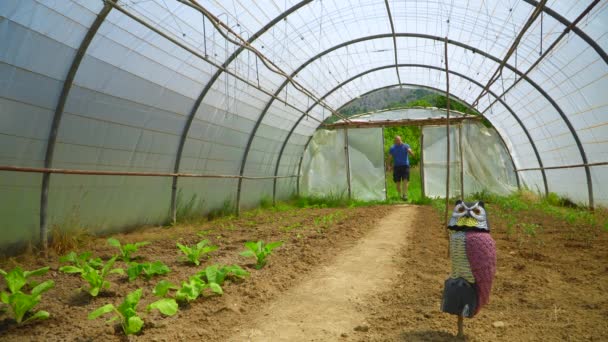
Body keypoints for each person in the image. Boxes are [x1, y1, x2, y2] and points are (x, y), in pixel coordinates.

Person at [388, 135, 414, 201]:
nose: (398, 141)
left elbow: (412, 154)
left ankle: (405, 195)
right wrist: (389, 165)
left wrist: (410, 152)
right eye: (396, 140)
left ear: (401, 140)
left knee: (405, 180)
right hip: (396, 167)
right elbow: (390, 158)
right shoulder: (392, 148)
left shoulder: (406, 146)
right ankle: (400, 195)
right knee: (398, 183)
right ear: (394, 141)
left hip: (405, 166)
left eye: (399, 140)